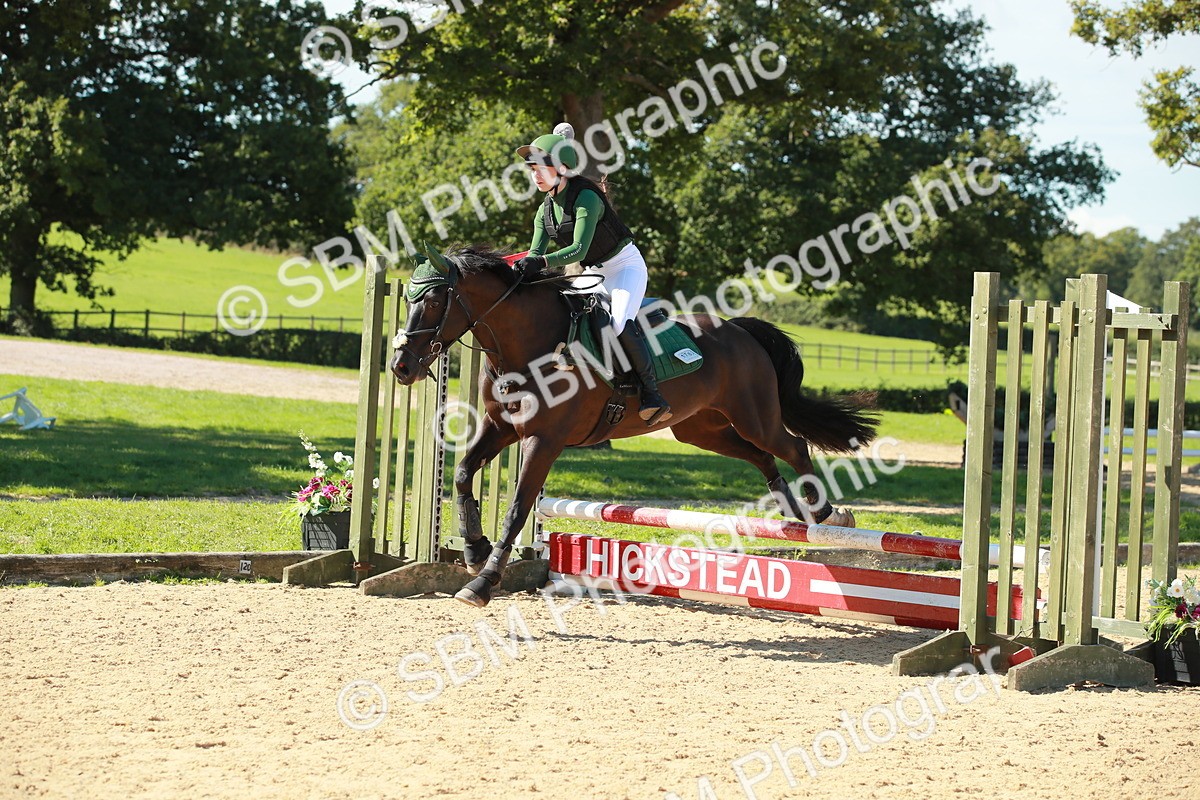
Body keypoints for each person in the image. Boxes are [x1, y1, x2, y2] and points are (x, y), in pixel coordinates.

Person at [512, 123, 671, 426]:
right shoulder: (544, 211)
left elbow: (577, 251)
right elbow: (535, 253)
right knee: (567, 312)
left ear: (561, 168)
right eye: (532, 169)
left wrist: (541, 261)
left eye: (541, 168)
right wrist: (525, 266)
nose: (535, 174)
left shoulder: (587, 197)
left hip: (625, 266)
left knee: (620, 323)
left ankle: (653, 394)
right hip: (594, 273)